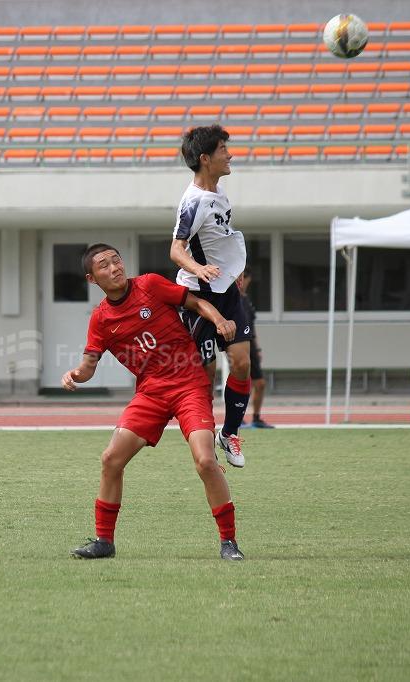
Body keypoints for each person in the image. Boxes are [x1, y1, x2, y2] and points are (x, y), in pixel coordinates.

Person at [63, 243, 244, 561]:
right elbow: (88, 367)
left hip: (189, 385)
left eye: (116, 260)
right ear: (93, 279)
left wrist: (219, 320)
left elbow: (196, 302)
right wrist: (75, 375)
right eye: (104, 265)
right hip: (150, 394)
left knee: (204, 461)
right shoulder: (101, 319)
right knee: (111, 459)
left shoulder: (149, 284)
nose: (114, 268)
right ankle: (104, 541)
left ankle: (229, 543)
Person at [171, 124, 251, 467]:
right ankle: (204, 436)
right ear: (205, 158)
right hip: (199, 295)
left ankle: (229, 433)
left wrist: (234, 272)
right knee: (203, 376)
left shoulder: (217, 192)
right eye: (223, 149)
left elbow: (220, 239)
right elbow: (177, 249)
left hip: (226, 290)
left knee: (242, 363)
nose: (229, 154)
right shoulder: (193, 201)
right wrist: (199, 268)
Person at [236, 269, 272, 429]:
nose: (242, 281)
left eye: (244, 278)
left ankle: (256, 418)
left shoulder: (246, 299)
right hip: (238, 345)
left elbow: (252, 327)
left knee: (260, 383)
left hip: (251, 346)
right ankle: (237, 418)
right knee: (241, 382)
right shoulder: (233, 299)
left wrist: (257, 348)